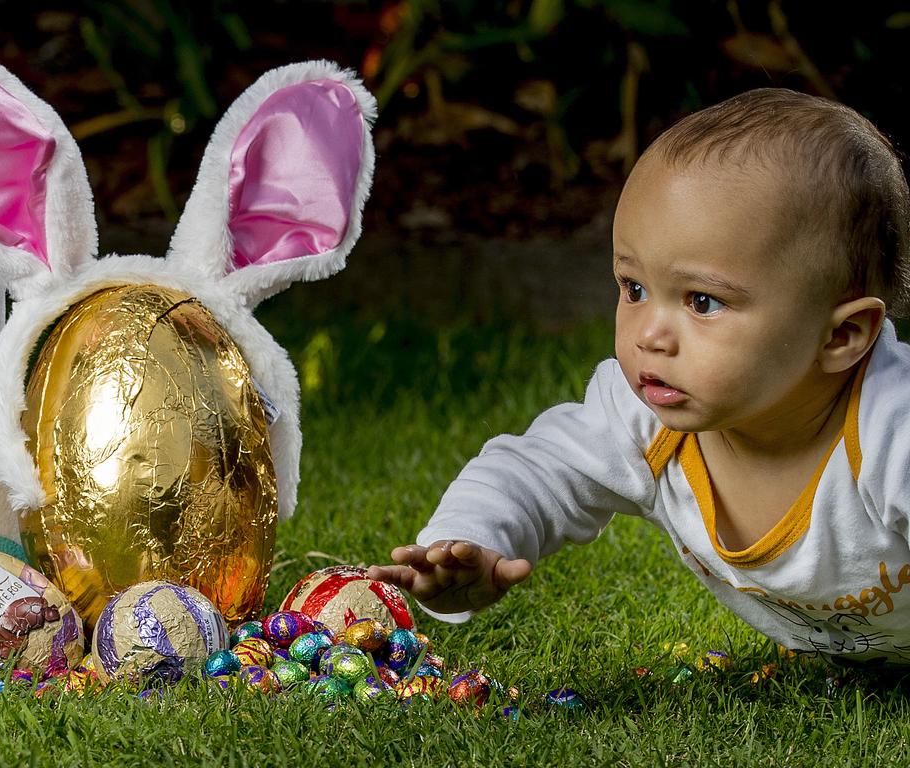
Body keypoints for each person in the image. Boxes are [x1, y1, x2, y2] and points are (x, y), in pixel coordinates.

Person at [367, 87, 910, 664]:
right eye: (634, 288)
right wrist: (470, 540)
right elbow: (537, 470)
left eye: (702, 302)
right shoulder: (644, 418)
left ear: (841, 337)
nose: (650, 334)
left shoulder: (890, 433)